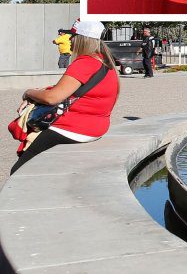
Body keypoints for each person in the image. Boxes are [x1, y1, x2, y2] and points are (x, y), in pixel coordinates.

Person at [11, 19, 120, 173]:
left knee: (18, 172)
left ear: (82, 39)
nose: (70, 39)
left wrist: (28, 93)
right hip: (96, 127)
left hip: (73, 129)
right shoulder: (104, 62)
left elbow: (52, 98)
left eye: (73, 36)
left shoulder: (84, 63)